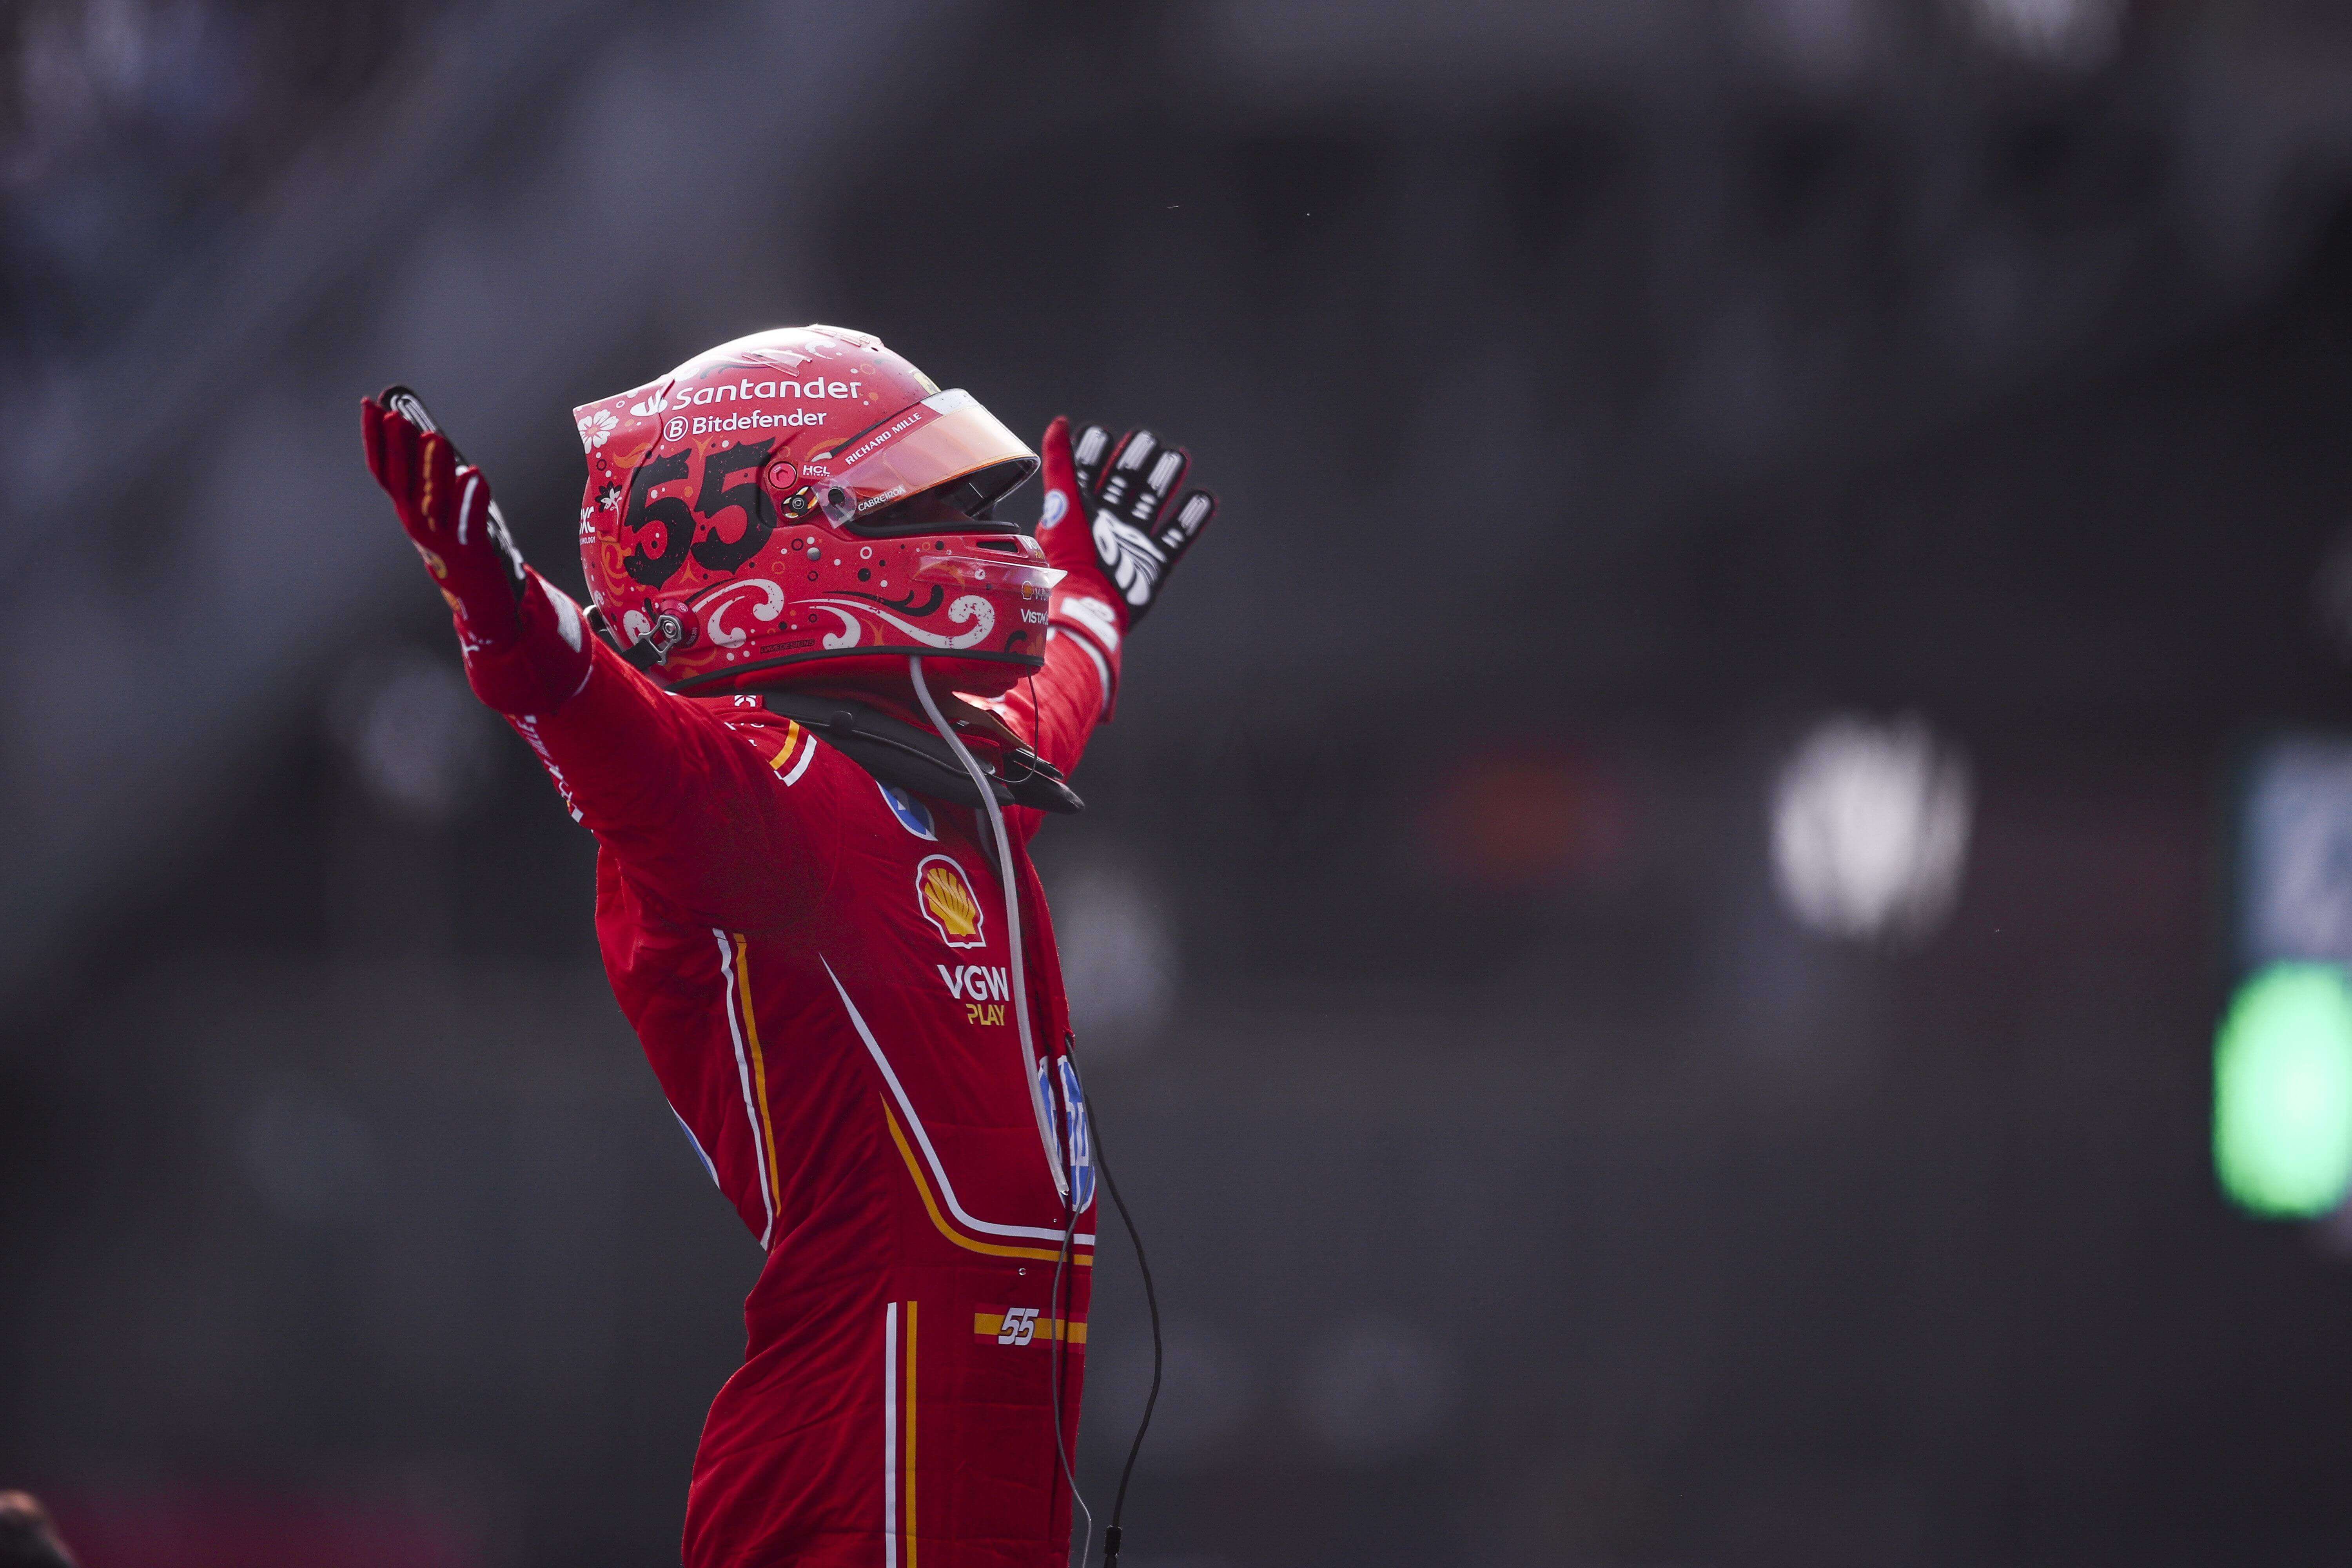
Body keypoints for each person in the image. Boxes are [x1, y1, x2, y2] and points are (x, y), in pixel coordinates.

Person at [359, 325, 1214, 1568]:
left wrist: (1092, 585)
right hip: (837, 1508)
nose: (979, 528)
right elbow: (624, 746)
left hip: (970, 1507)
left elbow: (1047, 712)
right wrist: (516, 623)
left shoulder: (935, 781)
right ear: (763, 533)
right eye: (918, 498)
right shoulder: (768, 805)